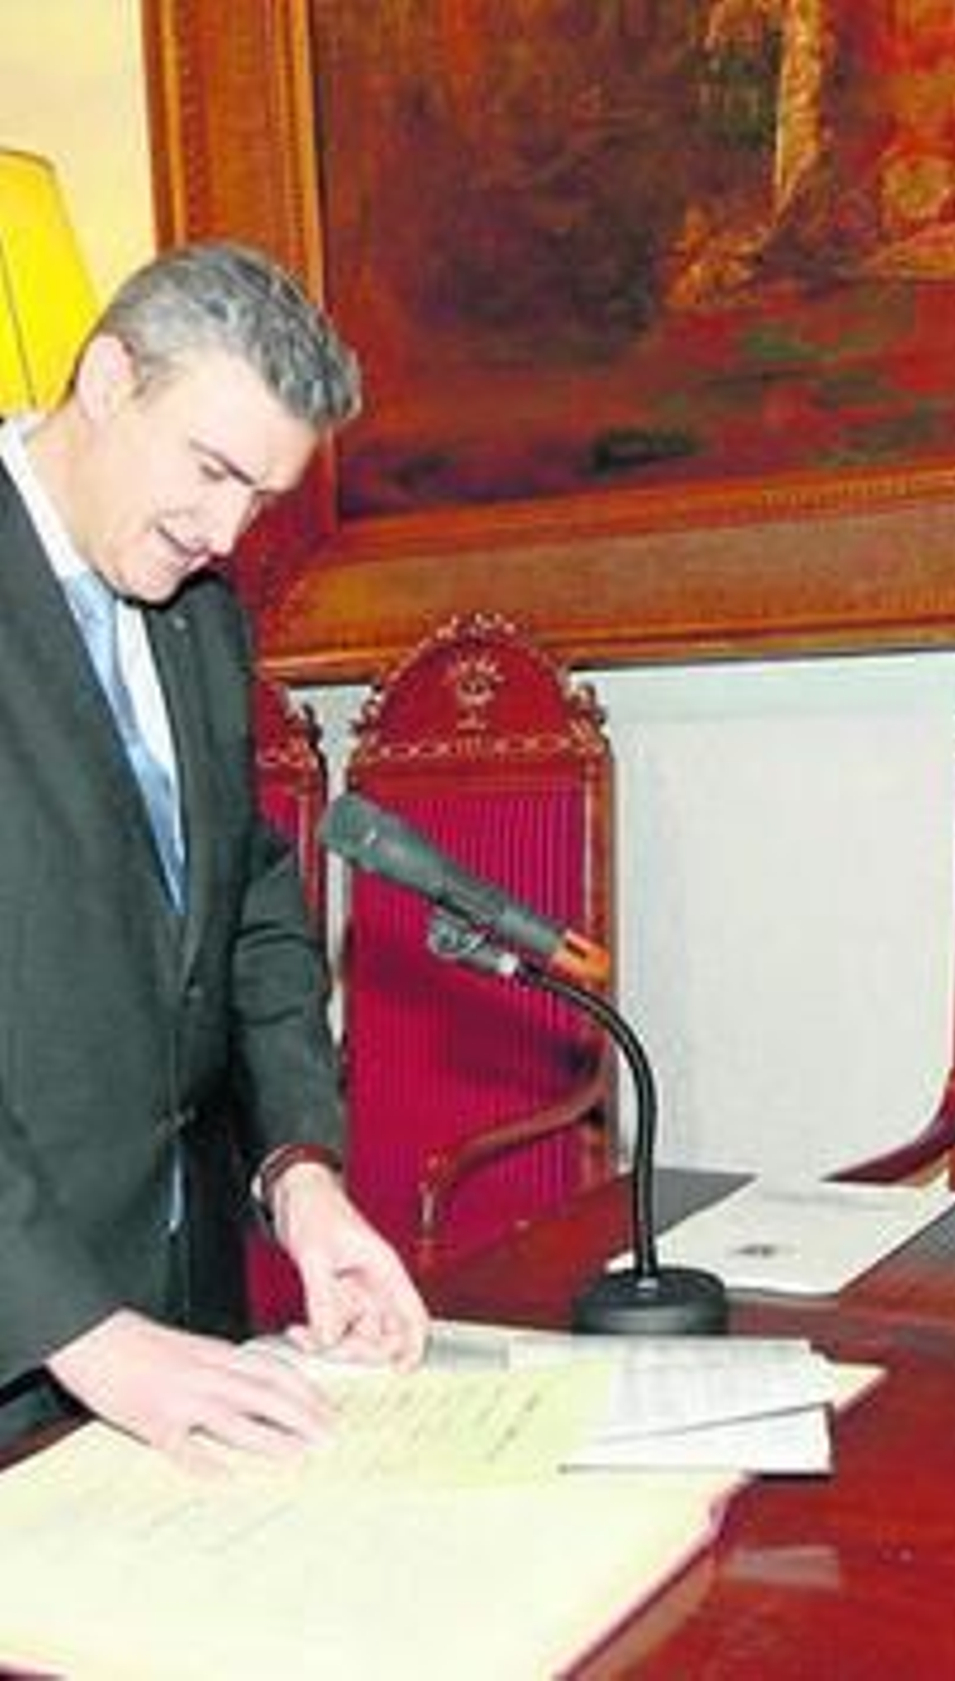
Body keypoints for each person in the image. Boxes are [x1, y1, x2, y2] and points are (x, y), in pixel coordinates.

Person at [0, 240, 428, 1465]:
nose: (225, 531)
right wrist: (74, 1326)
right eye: (211, 470)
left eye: (261, 499)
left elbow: (242, 900)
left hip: (180, 1324)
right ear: (105, 378)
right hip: (40, 1334)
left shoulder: (196, 609)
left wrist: (304, 1175)